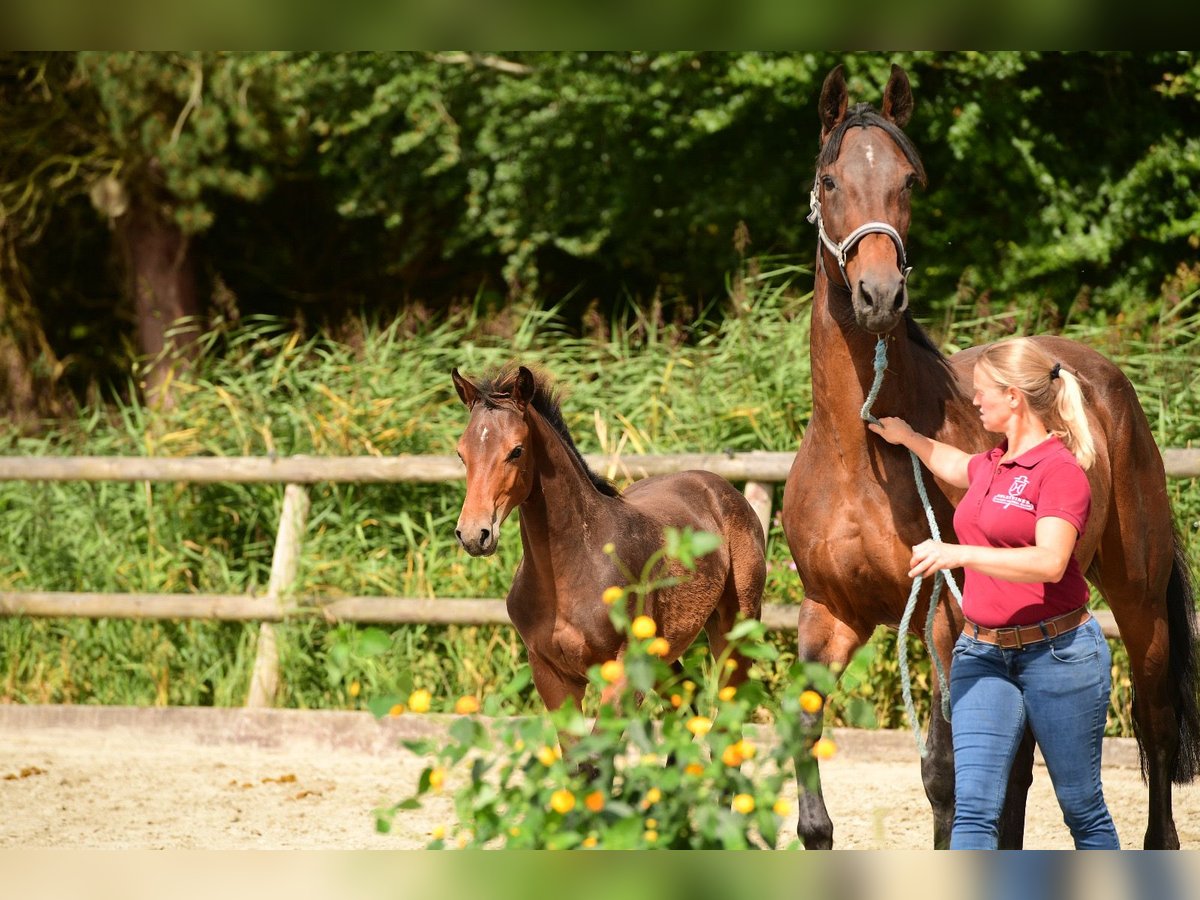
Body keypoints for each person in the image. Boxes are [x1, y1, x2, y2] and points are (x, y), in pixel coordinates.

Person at [868, 336, 1119, 850]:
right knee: (973, 810)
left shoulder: (1062, 472)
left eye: (982, 391)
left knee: (1082, 809)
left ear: (1014, 397)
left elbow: (1050, 563)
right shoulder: (992, 463)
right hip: (981, 654)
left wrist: (960, 555)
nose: (974, 400)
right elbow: (955, 464)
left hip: (1060, 656)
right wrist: (910, 437)